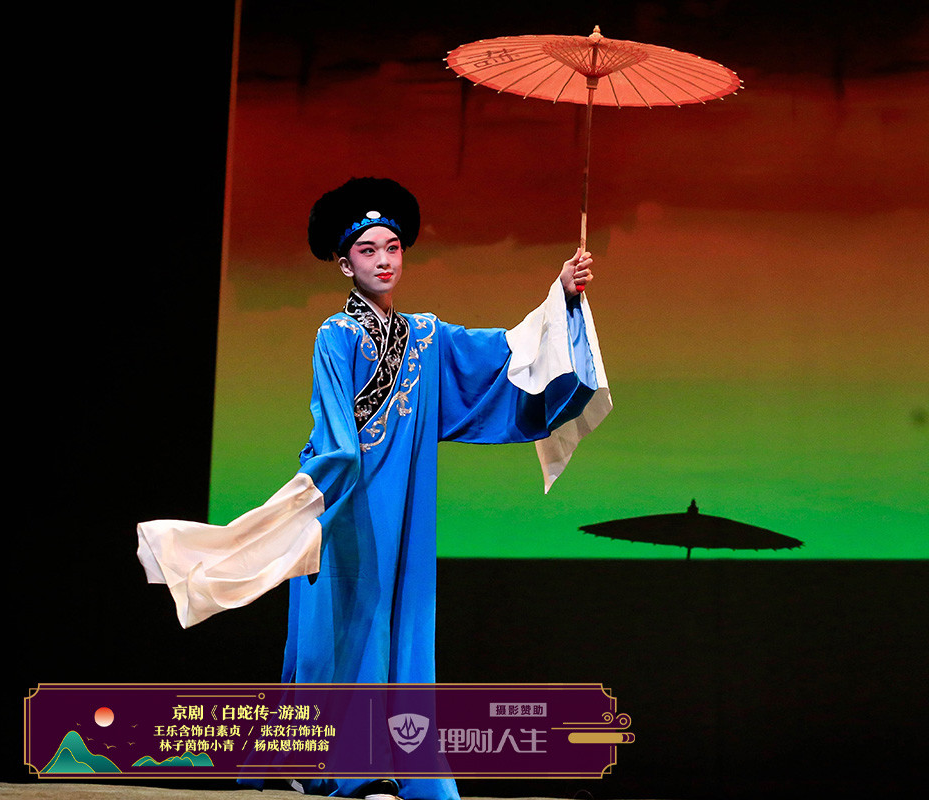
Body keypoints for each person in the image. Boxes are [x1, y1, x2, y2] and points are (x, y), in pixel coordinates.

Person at [137, 177, 611, 800]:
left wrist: (563, 294)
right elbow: (337, 429)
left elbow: (507, 354)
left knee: (400, 616)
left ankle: (386, 763)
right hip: (346, 497)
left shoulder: (427, 336)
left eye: (393, 247)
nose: (384, 260)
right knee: (344, 622)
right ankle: (343, 764)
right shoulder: (335, 333)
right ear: (345, 264)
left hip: (402, 501)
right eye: (368, 250)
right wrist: (318, 492)